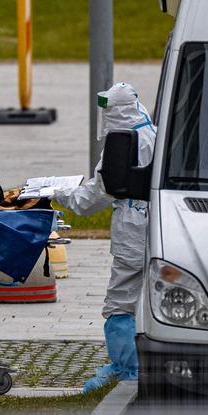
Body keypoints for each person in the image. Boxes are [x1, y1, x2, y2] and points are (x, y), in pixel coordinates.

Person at [53, 82, 156, 392]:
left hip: (131, 229)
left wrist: (56, 193)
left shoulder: (121, 145)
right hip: (161, 224)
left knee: (119, 302)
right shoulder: (155, 133)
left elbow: (92, 198)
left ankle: (126, 370)